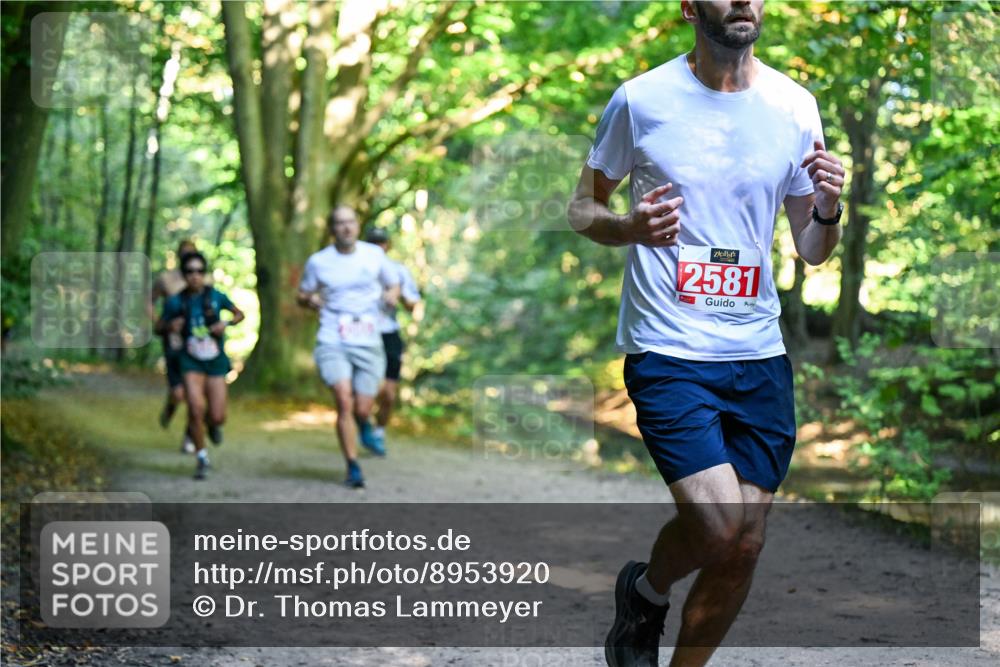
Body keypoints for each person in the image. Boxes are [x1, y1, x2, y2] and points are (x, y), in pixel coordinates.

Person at [567, 2, 845, 665]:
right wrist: (627, 228)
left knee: (745, 544)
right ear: (692, 7)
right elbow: (583, 207)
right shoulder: (641, 101)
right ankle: (646, 587)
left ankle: (656, 612)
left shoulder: (794, 105)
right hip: (669, 349)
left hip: (758, 354)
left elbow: (812, 247)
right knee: (721, 529)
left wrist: (830, 207)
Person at [297, 206, 401, 488]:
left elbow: (394, 285)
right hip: (333, 337)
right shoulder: (319, 262)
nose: (346, 228)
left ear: (358, 226)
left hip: (368, 339)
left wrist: (391, 297)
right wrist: (311, 301)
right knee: (343, 399)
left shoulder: (374, 255)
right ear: (332, 229)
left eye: (350, 222)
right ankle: (352, 465)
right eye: (339, 223)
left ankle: (364, 423)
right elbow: (303, 294)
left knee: (363, 408)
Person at [156, 251, 245, 480]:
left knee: (217, 416)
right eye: (190, 272)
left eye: (199, 271)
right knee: (195, 409)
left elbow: (239, 314)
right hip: (190, 361)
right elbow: (159, 327)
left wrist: (225, 324)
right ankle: (201, 457)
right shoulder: (176, 301)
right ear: (184, 275)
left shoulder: (215, 296)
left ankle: (213, 426)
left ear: (204, 274)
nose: (195, 276)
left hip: (215, 361)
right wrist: (170, 326)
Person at [364, 227, 421, 450]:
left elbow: (412, 304)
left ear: (388, 246)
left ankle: (379, 431)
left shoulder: (398, 271)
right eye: (373, 243)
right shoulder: (358, 269)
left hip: (389, 334)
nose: (377, 247)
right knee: (366, 387)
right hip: (364, 334)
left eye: (381, 243)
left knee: (388, 392)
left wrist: (398, 297)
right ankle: (364, 422)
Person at [149, 239, 197, 453]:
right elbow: (149, 301)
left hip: (197, 345)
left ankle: (190, 436)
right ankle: (170, 407)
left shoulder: (202, 279)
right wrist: (160, 323)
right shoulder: (166, 280)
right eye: (184, 253)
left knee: (195, 393)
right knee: (179, 393)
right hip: (173, 343)